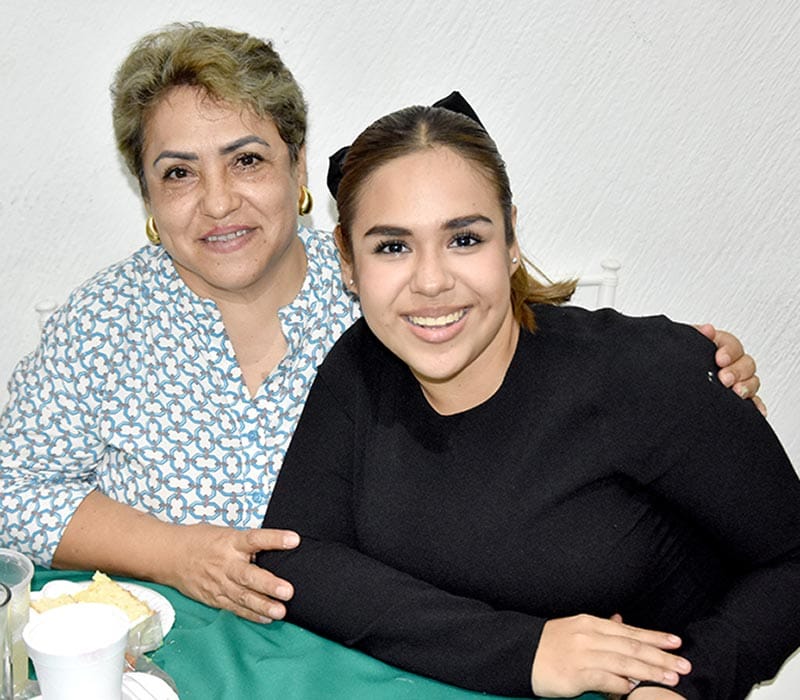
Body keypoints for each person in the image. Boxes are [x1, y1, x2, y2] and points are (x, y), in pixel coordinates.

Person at [0, 24, 761, 624]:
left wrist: (696, 379)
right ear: (147, 195)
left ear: (299, 168)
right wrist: (175, 554)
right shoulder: (102, 325)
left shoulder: (396, 305)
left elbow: (543, 385)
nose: (219, 201)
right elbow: (12, 491)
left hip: (390, 655)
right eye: (178, 172)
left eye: (247, 160)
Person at [257, 97, 800, 699]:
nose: (431, 281)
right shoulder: (362, 363)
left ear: (511, 238)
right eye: (393, 247)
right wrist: (528, 650)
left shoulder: (643, 372)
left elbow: (791, 561)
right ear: (348, 261)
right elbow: (295, 559)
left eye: (464, 238)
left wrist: (684, 684)